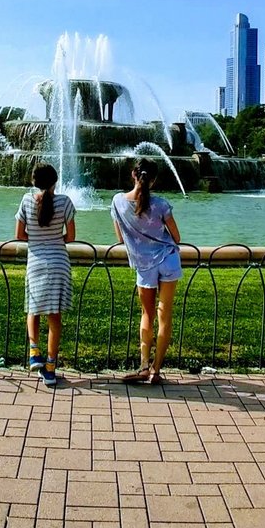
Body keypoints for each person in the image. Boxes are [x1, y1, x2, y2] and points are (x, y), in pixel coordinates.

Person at [111, 158, 182, 385]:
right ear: (154, 179)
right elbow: (177, 237)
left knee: (147, 315)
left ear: (133, 174)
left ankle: (143, 365)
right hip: (168, 261)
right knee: (165, 315)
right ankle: (156, 369)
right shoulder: (161, 204)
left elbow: (120, 238)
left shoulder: (117, 202)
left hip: (143, 265)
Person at [15, 164, 75, 387]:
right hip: (59, 263)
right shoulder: (65, 202)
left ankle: (34, 351)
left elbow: (20, 235)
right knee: (54, 317)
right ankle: (50, 368)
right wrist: (53, 240)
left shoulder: (27, 201)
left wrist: (39, 239)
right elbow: (71, 236)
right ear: (55, 181)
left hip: (36, 262)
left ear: (33, 182)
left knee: (33, 308)